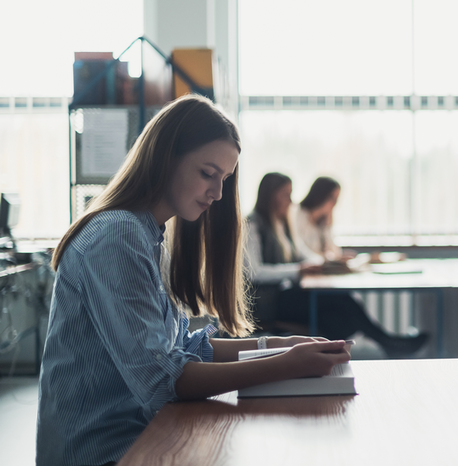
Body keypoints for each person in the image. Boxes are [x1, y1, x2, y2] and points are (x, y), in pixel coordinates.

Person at [36, 95, 352, 466]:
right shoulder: (117, 235)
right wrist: (286, 365)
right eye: (208, 173)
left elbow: (182, 346)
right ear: (165, 157)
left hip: (141, 433)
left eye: (225, 179)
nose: (218, 194)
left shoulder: (146, 233)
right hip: (107, 451)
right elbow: (162, 381)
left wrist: (277, 346)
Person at [245, 172, 428, 357]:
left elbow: (301, 253)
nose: (291, 201)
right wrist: (297, 270)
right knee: (340, 299)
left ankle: (339, 357)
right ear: (270, 195)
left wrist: (326, 261)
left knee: (338, 319)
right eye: (286, 194)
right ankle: (387, 342)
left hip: (286, 293)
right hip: (269, 303)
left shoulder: (281, 223)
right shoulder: (252, 224)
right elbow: (255, 272)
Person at [294, 176, 352, 260]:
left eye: (337, 199)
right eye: (333, 198)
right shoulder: (297, 215)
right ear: (321, 195)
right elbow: (300, 251)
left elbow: (334, 251)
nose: (334, 204)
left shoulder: (325, 221)